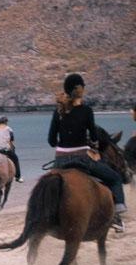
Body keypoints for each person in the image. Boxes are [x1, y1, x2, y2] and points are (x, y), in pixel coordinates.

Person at [48, 73, 126, 231]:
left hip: (60, 160)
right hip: (82, 158)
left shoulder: (58, 112)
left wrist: (64, 145)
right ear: (79, 89)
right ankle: (116, 214)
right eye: (83, 86)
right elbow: (95, 137)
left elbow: (51, 140)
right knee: (115, 178)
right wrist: (93, 148)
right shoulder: (86, 111)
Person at [0, 116, 23, 182]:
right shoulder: (9, 129)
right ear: (6, 122)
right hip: (4, 151)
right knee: (15, 159)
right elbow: (11, 143)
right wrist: (13, 148)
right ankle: (18, 177)